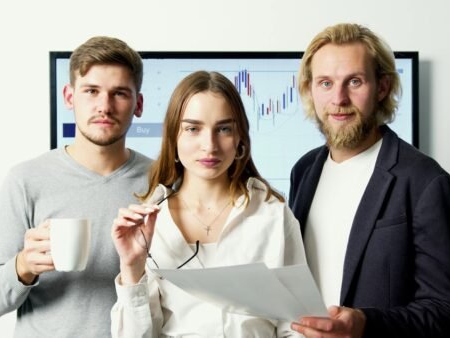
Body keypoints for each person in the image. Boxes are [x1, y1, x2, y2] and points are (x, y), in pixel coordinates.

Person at [288, 23, 450, 338]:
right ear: (310, 90)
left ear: (382, 87)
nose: (339, 99)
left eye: (354, 82)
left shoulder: (426, 182)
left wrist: (365, 325)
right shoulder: (304, 170)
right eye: (325, 83)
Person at [0, 36, 151, 337]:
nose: (104, 106)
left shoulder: (162, 181)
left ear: (138, 104)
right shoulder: (26, 180)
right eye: (91, 91)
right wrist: (24, 266)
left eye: (119, 93)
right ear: (69, 97)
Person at [110, 71, 307, 337]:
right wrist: (132, 269)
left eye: (224, 129)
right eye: (193, 129)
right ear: (173, 138)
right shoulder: (151, 223)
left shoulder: (271, 214)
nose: (209, 146)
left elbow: (296, 327)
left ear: (239, 139)